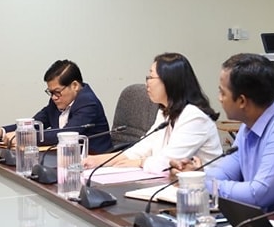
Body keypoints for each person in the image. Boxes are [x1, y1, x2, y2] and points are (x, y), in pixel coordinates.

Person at [170, 53, 274, 212]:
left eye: (222, 92)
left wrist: (200, 183)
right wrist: (193, 175)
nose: (219, 98)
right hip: (271, 222)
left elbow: (258, 195)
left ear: (242, 101)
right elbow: (226, 172)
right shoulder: (249, 125)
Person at [85, 53, 222, 173]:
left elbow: (168, 162)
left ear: (170, 82)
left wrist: (140, 162)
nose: (147, 83)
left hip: (204, 190)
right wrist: (96, 160)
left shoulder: (194, 117)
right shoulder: (165, 113)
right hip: (172, 184)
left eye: (151, 77)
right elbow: (141, 148)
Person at [0, 59, 111, 153]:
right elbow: (36, 123)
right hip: (64, 158)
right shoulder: (57, 100)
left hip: (96, 162)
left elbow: (66, 134)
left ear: (75, 86)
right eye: (51, 93)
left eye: (57, 92)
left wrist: (25, 137)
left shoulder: (88, 102)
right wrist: (1, 131)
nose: (54, 97)